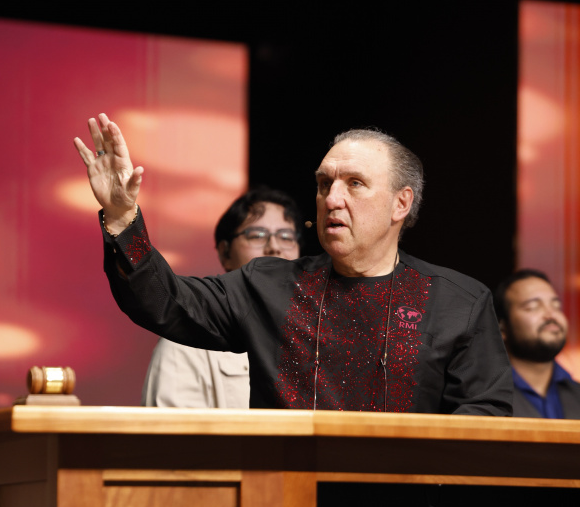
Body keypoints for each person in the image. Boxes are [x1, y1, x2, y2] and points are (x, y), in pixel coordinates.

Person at [74, 114, 512, 415]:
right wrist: (122, 217)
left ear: (401, 203)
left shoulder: (459, 303)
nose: (332, 199)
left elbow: (483, 422)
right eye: (324, 184)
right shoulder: (268, 286)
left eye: (354, 183)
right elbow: (164, 302)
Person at [141, 187, 302, 409]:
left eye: (286, 237)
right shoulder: (188, 339)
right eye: (257, 235)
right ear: (225, 252)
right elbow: (171, 430)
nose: (274, 247)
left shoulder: (316, 331)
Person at [493, 269, 580, 418]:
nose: (551, 315)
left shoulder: (576, 393)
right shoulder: (482, 395)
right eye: (533, 307)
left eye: (556, 305)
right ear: (503, 328)